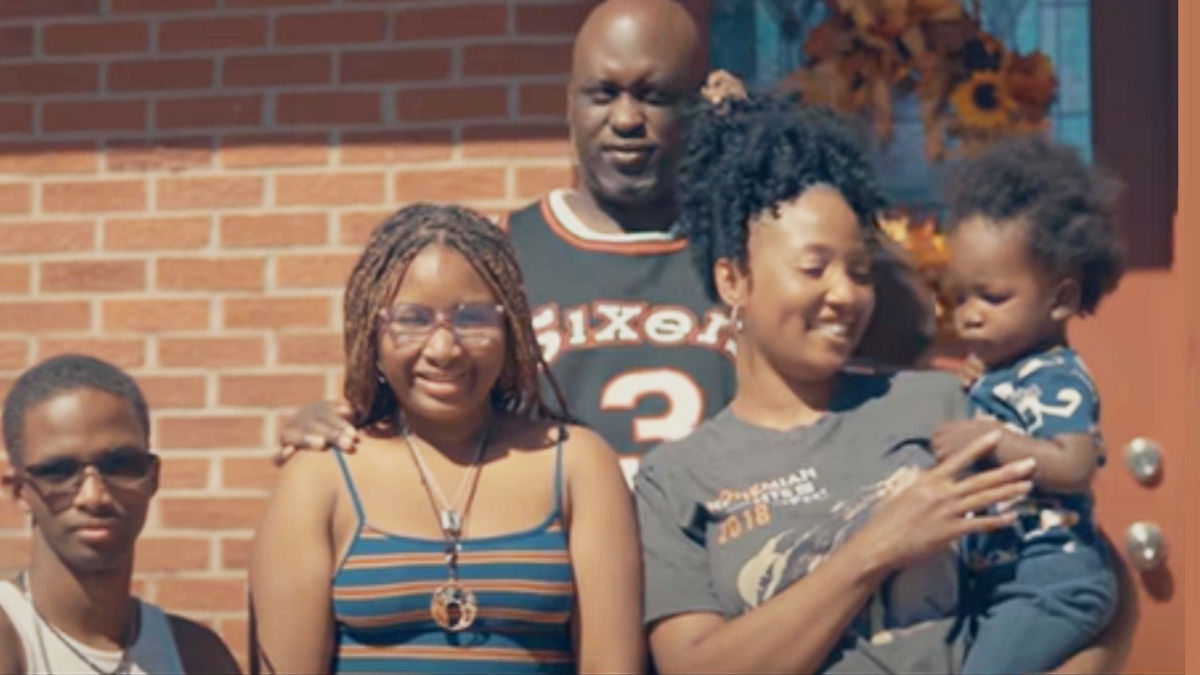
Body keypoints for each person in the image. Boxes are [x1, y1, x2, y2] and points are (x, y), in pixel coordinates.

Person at [277, 0, 935, 471]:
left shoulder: (753, 248)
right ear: (570, 106)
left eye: (653, 95)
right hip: (559, 604)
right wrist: (329, 424)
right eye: (603, 93)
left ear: (700, 105)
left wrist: (754, 154)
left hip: (718, 601)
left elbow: (909, 320)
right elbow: (417, 397)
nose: (626, 118)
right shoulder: (497, 253)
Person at [635, 90, 1126, 673]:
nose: (845, 294)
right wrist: (878, 546)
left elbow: (1083, 577)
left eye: (860, 271)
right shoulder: (676, 481)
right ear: (733, 279)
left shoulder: (942, 402)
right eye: (814, 268)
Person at [249, 204, 642, 673]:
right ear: (372, 333)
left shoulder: (577, 465)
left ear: (510, 328)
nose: (443, 349)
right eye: (411, 319)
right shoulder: (321, 475)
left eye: (471, 318)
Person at [931, 137, 1124, 673]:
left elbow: (1074, 463)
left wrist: (989, 438)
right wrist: (982, 384)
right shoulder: (1006, 373)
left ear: (1060, 299)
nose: (968, 316)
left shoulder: (1057, 376)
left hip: (1052, 582)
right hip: (1003, 580)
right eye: (959, 297)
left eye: (991, 298)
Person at [0, 354, 239, 675]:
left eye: (119, 465)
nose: (93, 496)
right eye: (59, 471)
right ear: (19, 490)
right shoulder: (12, 637)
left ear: (153, 478)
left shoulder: (196, 655)